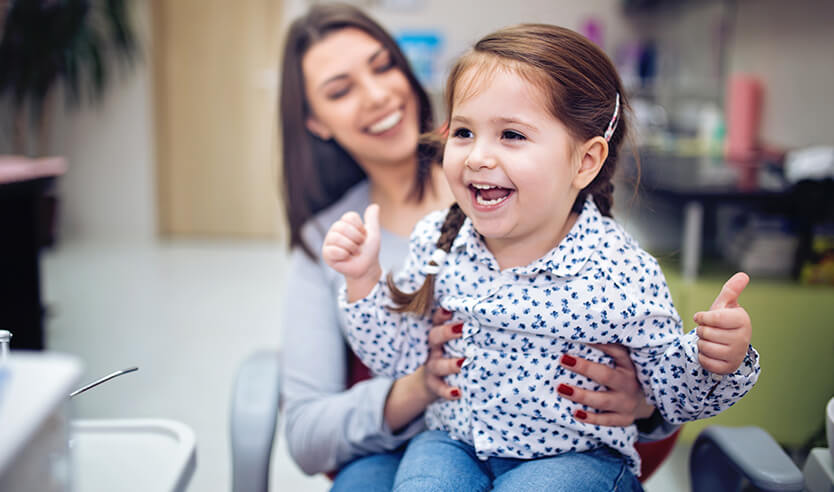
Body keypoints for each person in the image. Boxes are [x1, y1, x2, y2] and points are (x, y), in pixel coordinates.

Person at [279, 4, 753, 490]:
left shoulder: (617, 266)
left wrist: (697, 370)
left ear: (585, 162)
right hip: (451, 443)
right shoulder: (424, 241)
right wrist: (363, 282)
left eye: (511, 134)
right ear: (315, 121)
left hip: (572, 458)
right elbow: (390, 360)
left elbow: (673, 389)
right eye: (464, 132)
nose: (481, 155)